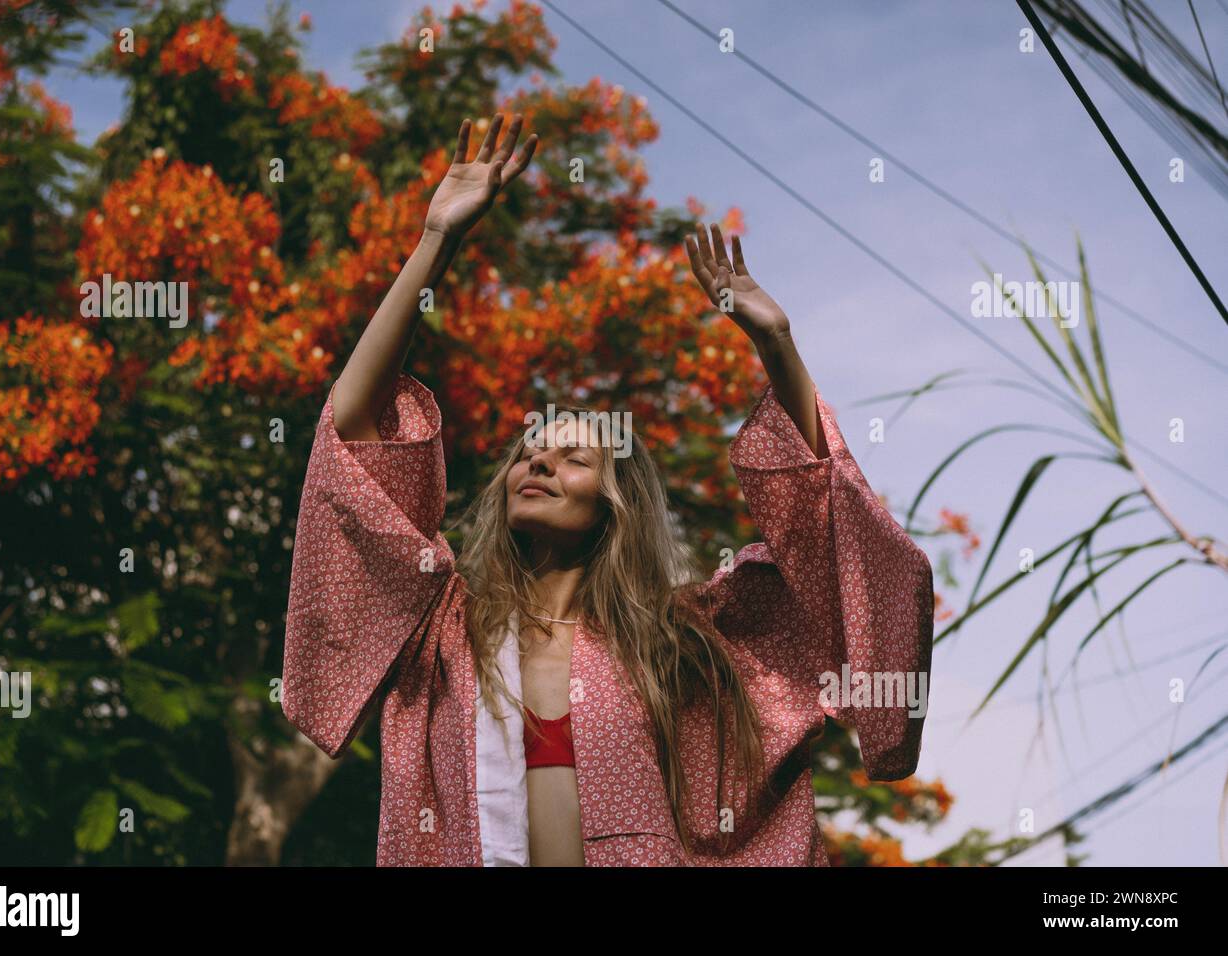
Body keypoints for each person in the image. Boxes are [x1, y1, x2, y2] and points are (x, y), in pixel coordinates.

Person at [281, 113, 934, 866]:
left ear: (613, 505)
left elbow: (829, 547)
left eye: (572, 458)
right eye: (530, 453)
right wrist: (438, 241)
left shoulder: (680, 642)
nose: (541, 464)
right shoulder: (446, 630)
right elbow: (355, 427)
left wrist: (777, 346)